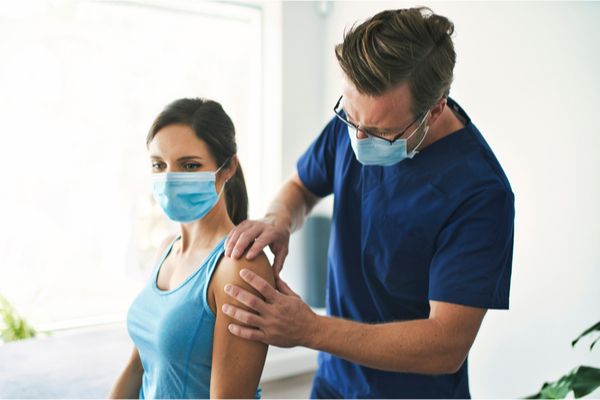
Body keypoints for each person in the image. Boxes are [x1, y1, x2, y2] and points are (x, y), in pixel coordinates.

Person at [221, 7, 514, 399]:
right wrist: (278, 219)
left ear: (435, 109)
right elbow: (301, 185)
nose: (358, 138)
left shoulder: (479, 194)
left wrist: (309, 329)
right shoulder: (359, 119)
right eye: (350, 117)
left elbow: (446, 345)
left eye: (380, 132)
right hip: (333, 386)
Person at [109, 98, 274, 399]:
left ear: (227, 169)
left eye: (189, 165)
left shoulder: (239, 267)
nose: (170, 179)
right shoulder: (166, 251)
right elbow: (137, 367)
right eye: (159, 165)